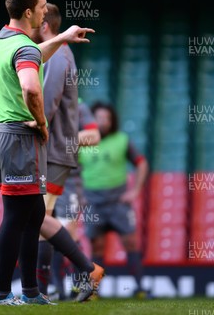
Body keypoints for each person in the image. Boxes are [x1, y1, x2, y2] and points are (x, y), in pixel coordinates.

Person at [0, 0, 94, 306]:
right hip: (20, 136)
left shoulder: (2, 40)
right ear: (30, 11)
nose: (47, 10)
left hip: (1, 134)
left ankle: (32, 292)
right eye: (43, 5)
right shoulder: (24, 48)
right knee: (16, 217)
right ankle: (1, 294)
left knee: (33, 214)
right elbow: (32, 89)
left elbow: (34, 56)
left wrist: (61, 37)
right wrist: (43, 123)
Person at [29, 4, 105, 302]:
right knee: (39, 220)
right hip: (55, 152)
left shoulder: (58, 55)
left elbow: (45, 102)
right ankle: (42, 290)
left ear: (44, 23)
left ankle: (83, 271)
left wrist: (31, 125)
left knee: (41, 220)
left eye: (32, 18)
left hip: (53, 153)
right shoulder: (58, 54)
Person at [77, 101, 150, 298]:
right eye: (99, 118)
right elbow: (71, 171)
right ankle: (93, 291)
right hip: (93, 203)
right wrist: (79, 195)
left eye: (106, 118)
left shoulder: (122, 140)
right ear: (92, 119)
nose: (103, 122)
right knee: (97, 248)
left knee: (131, 243)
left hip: (118, 203)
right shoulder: (82, 141)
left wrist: (134, 191)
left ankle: (140, 289)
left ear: (112, 121)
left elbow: (141, 163)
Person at [50, 98, 101, 301]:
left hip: (67, 178)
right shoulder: (36, 98)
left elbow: (93, 136)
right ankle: (56, 289)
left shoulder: (77, 106)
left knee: (65, 232)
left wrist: (59, 140)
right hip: (40, 176)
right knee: (45, 234)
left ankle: (84, 282)